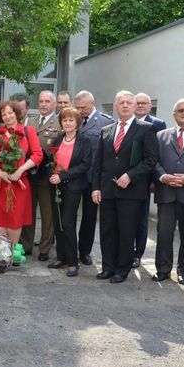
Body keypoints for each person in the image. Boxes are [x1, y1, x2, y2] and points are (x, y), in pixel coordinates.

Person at [92, 90, 158, 284]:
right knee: (107, 230)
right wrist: (96, 188)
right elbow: (98, 164)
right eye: (122, 102)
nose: (126, 105)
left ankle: (122, 269)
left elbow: (151, 160)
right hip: (107, 191)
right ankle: (108, 267)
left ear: (135, 105)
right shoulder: (106, 131)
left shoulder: (146, 129)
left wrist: (130, 175)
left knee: (126, 231)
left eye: (130, 102)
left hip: (131, 191)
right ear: (115, 106)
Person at [0, 101, 42, 246]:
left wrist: (20, 170)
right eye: (4, 114)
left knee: (15, 220)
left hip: (19, 182)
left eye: (10, 113)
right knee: (0, 219)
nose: (7, 116)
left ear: (16, 114)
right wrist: (0, 173)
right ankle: (2, 252)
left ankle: (12, 250)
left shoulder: (28, 131)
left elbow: (37, 155)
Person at [152, 99, 184, 286]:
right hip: (166, 192)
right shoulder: (161, 135)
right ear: (174, 114)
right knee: (164, 233)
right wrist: (163, 177)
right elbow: (153, 161)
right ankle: (163, 270)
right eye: (180, 110)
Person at [47, 108, 92, 277]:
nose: (67, 123)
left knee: (67, 223)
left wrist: (63, 176)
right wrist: (52, 175)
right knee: (58, 223)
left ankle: (73, 262)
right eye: (64, 120)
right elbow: (51, 161)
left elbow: (85, 165)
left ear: (77, 123)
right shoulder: (58, 139)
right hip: (57, 186)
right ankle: (62, 257)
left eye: (71, 120)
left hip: (73, 187)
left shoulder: (84, 141)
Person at [21, 90, 62, 260]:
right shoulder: (30, 121)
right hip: (30, 175)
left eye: (47, 101)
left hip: (47, 175)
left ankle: (44, 248)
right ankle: (26, 245)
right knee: (28, 212)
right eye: (41, 101)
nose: (44, 104)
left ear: (54, 104)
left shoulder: (59, 122)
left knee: (47, 214)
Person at [74, 90, 112, 266]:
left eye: (83, 107)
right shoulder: (73, 118)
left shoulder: (106, 122)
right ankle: (68, 249)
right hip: (74, 176)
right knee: (70, 215)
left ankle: (85, 251)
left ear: (92, 103)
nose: (80, 110)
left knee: (89, 217)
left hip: (92, 178)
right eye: (78, 107)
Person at [132, 92, 166, 268]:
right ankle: (127, 251)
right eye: (137, 103)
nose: (140, 106)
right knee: (128, 217)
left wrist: (155, 180)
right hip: (129, 177)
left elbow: (158, 154)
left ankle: (138, 254)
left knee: (142, 218)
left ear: (150, 106)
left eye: (144, 103)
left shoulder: (158, 124)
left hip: (147, 179)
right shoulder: (128, 122)